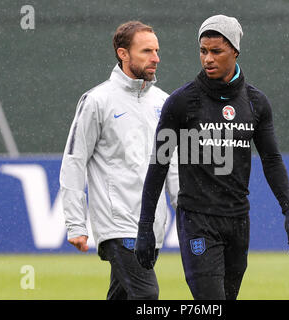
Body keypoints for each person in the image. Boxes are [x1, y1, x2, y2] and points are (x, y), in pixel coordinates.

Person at [135, 15, 289, 300]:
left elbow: (272, 160)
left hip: (238, 221)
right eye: (203, 51)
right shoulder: (181, 102)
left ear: (235, 52)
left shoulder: (255, 102)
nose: (208, 59)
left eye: (216, 51)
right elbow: (159, 164)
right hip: (197, 220)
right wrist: (145, 226)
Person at [59, 21, 179, 300]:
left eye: (157, 51)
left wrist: (186, 210)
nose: (156, 58)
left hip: (153, 225)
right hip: (119, 224)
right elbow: (74, 161)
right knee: (146, 297)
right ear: (123, 54)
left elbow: (172, 164)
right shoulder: (97, 101)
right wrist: (76, 223)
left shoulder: (165, 102)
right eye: (147, 51)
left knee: (123, 296)